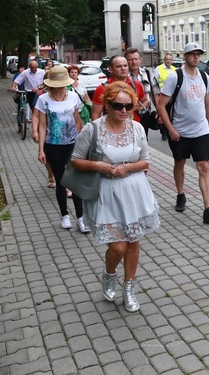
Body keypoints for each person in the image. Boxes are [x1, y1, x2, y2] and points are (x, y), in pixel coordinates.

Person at [70, 82, 160, 313]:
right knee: (118, 247)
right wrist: (97, 165)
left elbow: (145, 160)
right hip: (105, 193)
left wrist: (127, 168)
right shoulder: (93, 129)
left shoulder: (136, 128)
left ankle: (129, 287)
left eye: (128, 105)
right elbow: (76, 160)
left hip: (134, 191)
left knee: (134, 241)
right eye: (118, 105)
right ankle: (109, 275)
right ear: (107, 104)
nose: (123, 110)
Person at [158, 42, 209, 223]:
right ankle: (181, 194)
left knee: (203, 166)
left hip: (201, 131)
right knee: (179, 163)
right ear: (185, 56)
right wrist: (171, 129)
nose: (196, 57)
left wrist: (208, 126)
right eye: (192, 54)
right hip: (179, 132)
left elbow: (206, 104)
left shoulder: (204, 77)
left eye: (199, 54)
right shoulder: (175, 77)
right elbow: (161, 105)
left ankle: (208, 209)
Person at [35, 66, 88, 232]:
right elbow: (42, 125)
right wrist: (41, 149)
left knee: (76, 180)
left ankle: (81, 218)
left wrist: (83, 142)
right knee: (61, 181)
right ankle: (65, 215)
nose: (61, 87)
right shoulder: (43, 99)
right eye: (57, 84)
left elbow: (77, 120)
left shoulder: (73, 96)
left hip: (73, 143)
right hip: (53, 144)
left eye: (63, 83)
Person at [91, 55, 149, 122]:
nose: (123, 68)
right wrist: (97, 131)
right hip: (112, 129)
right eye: (119, 66)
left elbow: (145, 100)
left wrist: (142, 107)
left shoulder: (136, 85)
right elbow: (96, 114)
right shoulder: (103, 88)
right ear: (110, 69)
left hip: (134, 128)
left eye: (125, 66)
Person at [126, 47, 160, 137]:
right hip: (128, 115)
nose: (134, 62)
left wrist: (159, 111)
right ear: (126, 61)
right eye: (130, 59)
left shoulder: (148, 74)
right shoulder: (123, 76)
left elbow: (155, 94)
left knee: (143, 139)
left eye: (136, 59)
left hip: (145, 114)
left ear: (140, 60)